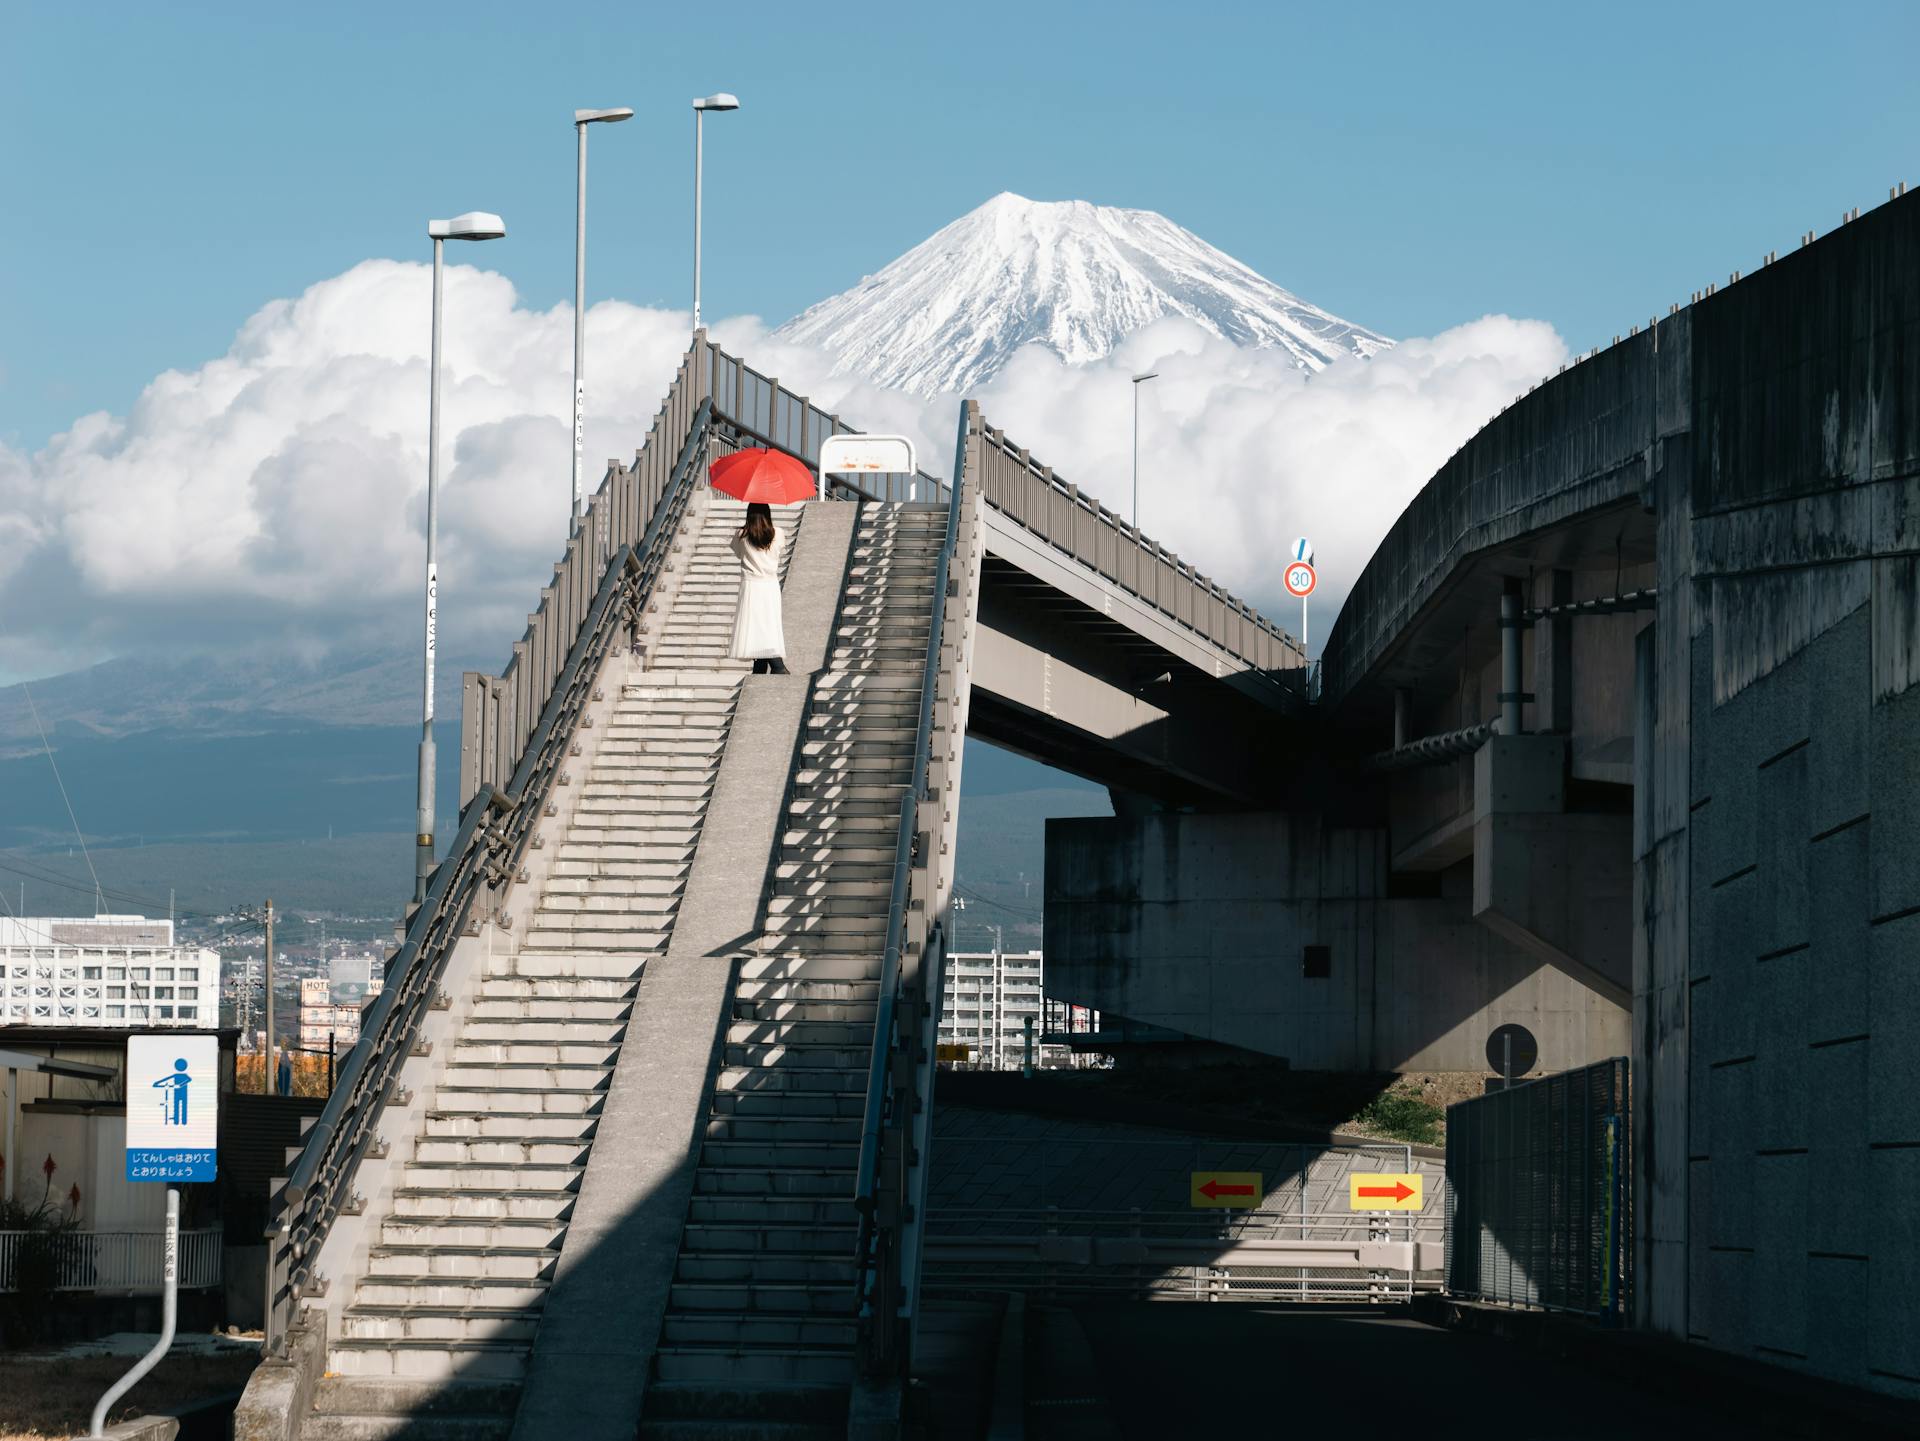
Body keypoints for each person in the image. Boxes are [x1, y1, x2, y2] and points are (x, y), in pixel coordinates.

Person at [730, 501, 789, 674]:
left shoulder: (741, 534)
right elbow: (779, 551)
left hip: (751, 585)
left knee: (755, 625)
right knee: (769, 624)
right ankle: (764, 665)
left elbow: (738, 554)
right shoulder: (778, 533)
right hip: (770, 584)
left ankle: (774, 666)